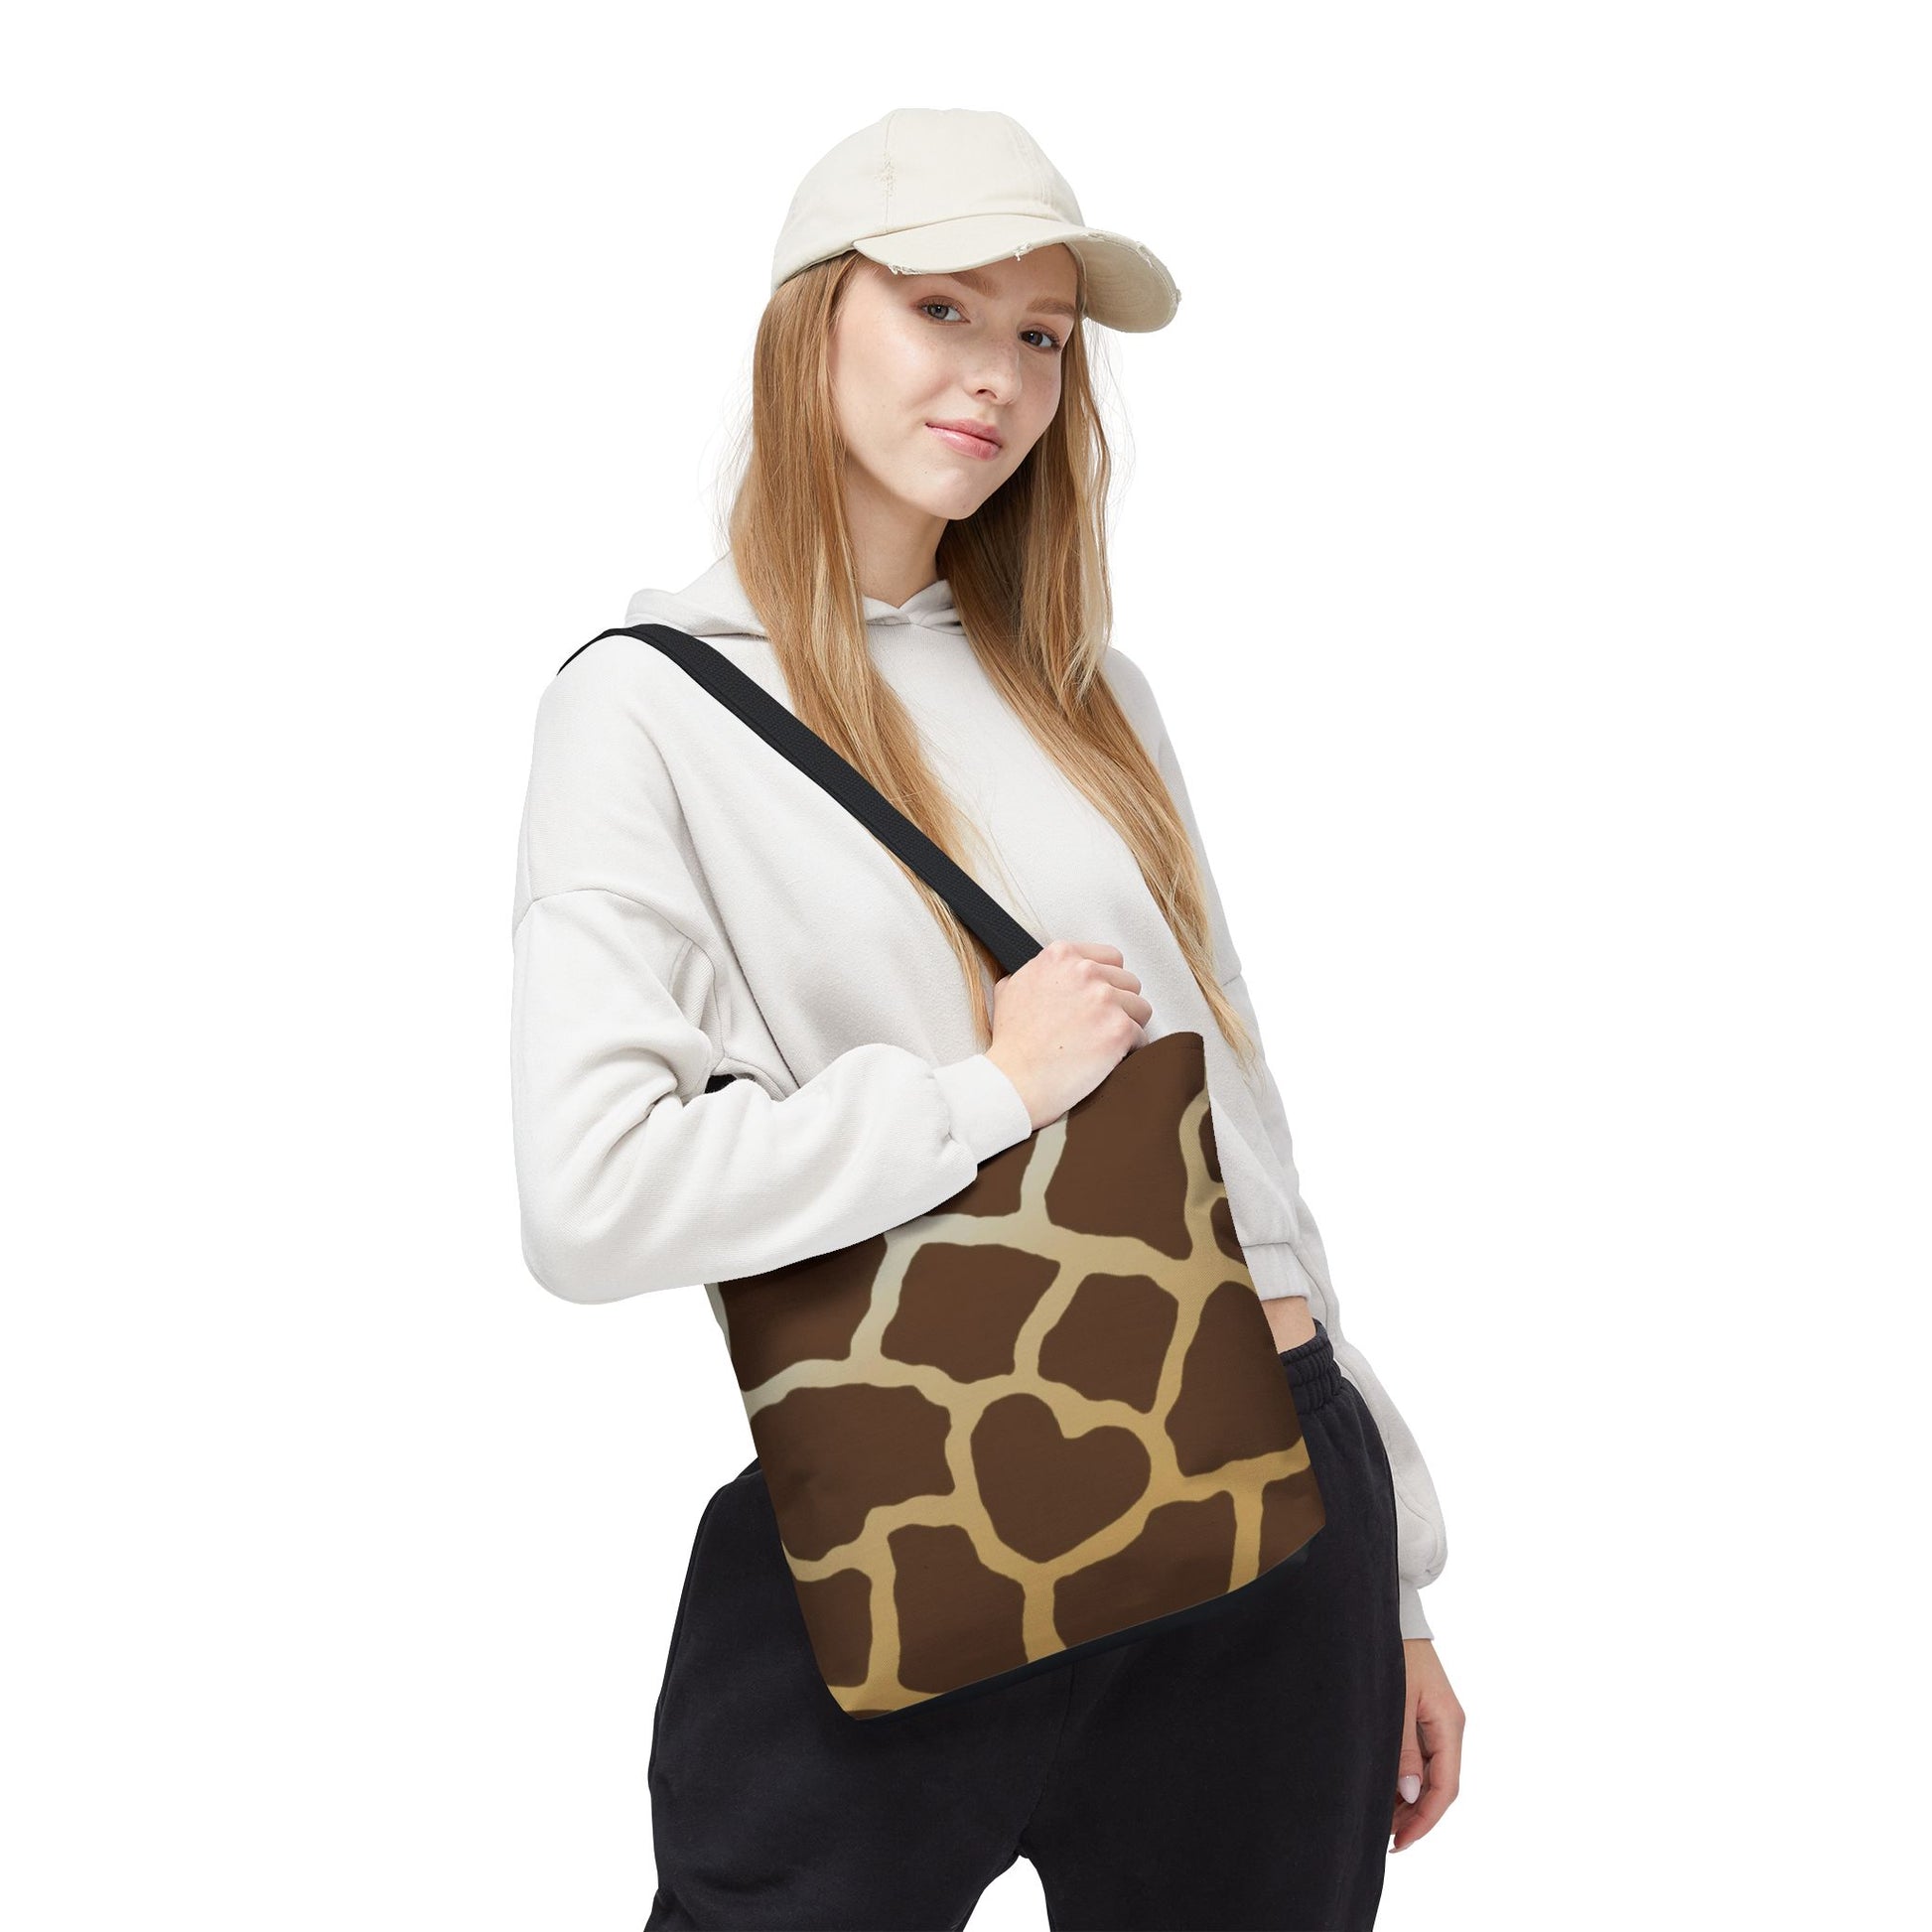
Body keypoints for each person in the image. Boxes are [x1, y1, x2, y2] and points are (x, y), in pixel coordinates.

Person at [510, 106, 1463, 1932]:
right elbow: (591, 1193)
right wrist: (987, 1090)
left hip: (1271, 1503)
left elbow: (1238, 1140)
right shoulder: (651, 710)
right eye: (941, 307)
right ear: (811, 321)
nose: (1000, 377)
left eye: (1040, 334)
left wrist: (1399, 1580)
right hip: (914, 1518)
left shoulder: (1090, 691)